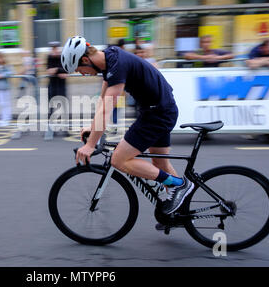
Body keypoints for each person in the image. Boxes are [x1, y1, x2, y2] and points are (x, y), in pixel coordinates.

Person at [61, 36, 193, 217]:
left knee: (118, 160)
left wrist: (90, 145)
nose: (82, 73)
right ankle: (179, 214)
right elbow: (102, 101)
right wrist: (93, 130)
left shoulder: (116, 64)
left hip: (157, 114)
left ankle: (179, 186)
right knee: (160, 164)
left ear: (85, 59)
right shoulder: (108, 59)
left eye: (79, 69)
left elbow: (108, 108)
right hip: (160, 109)